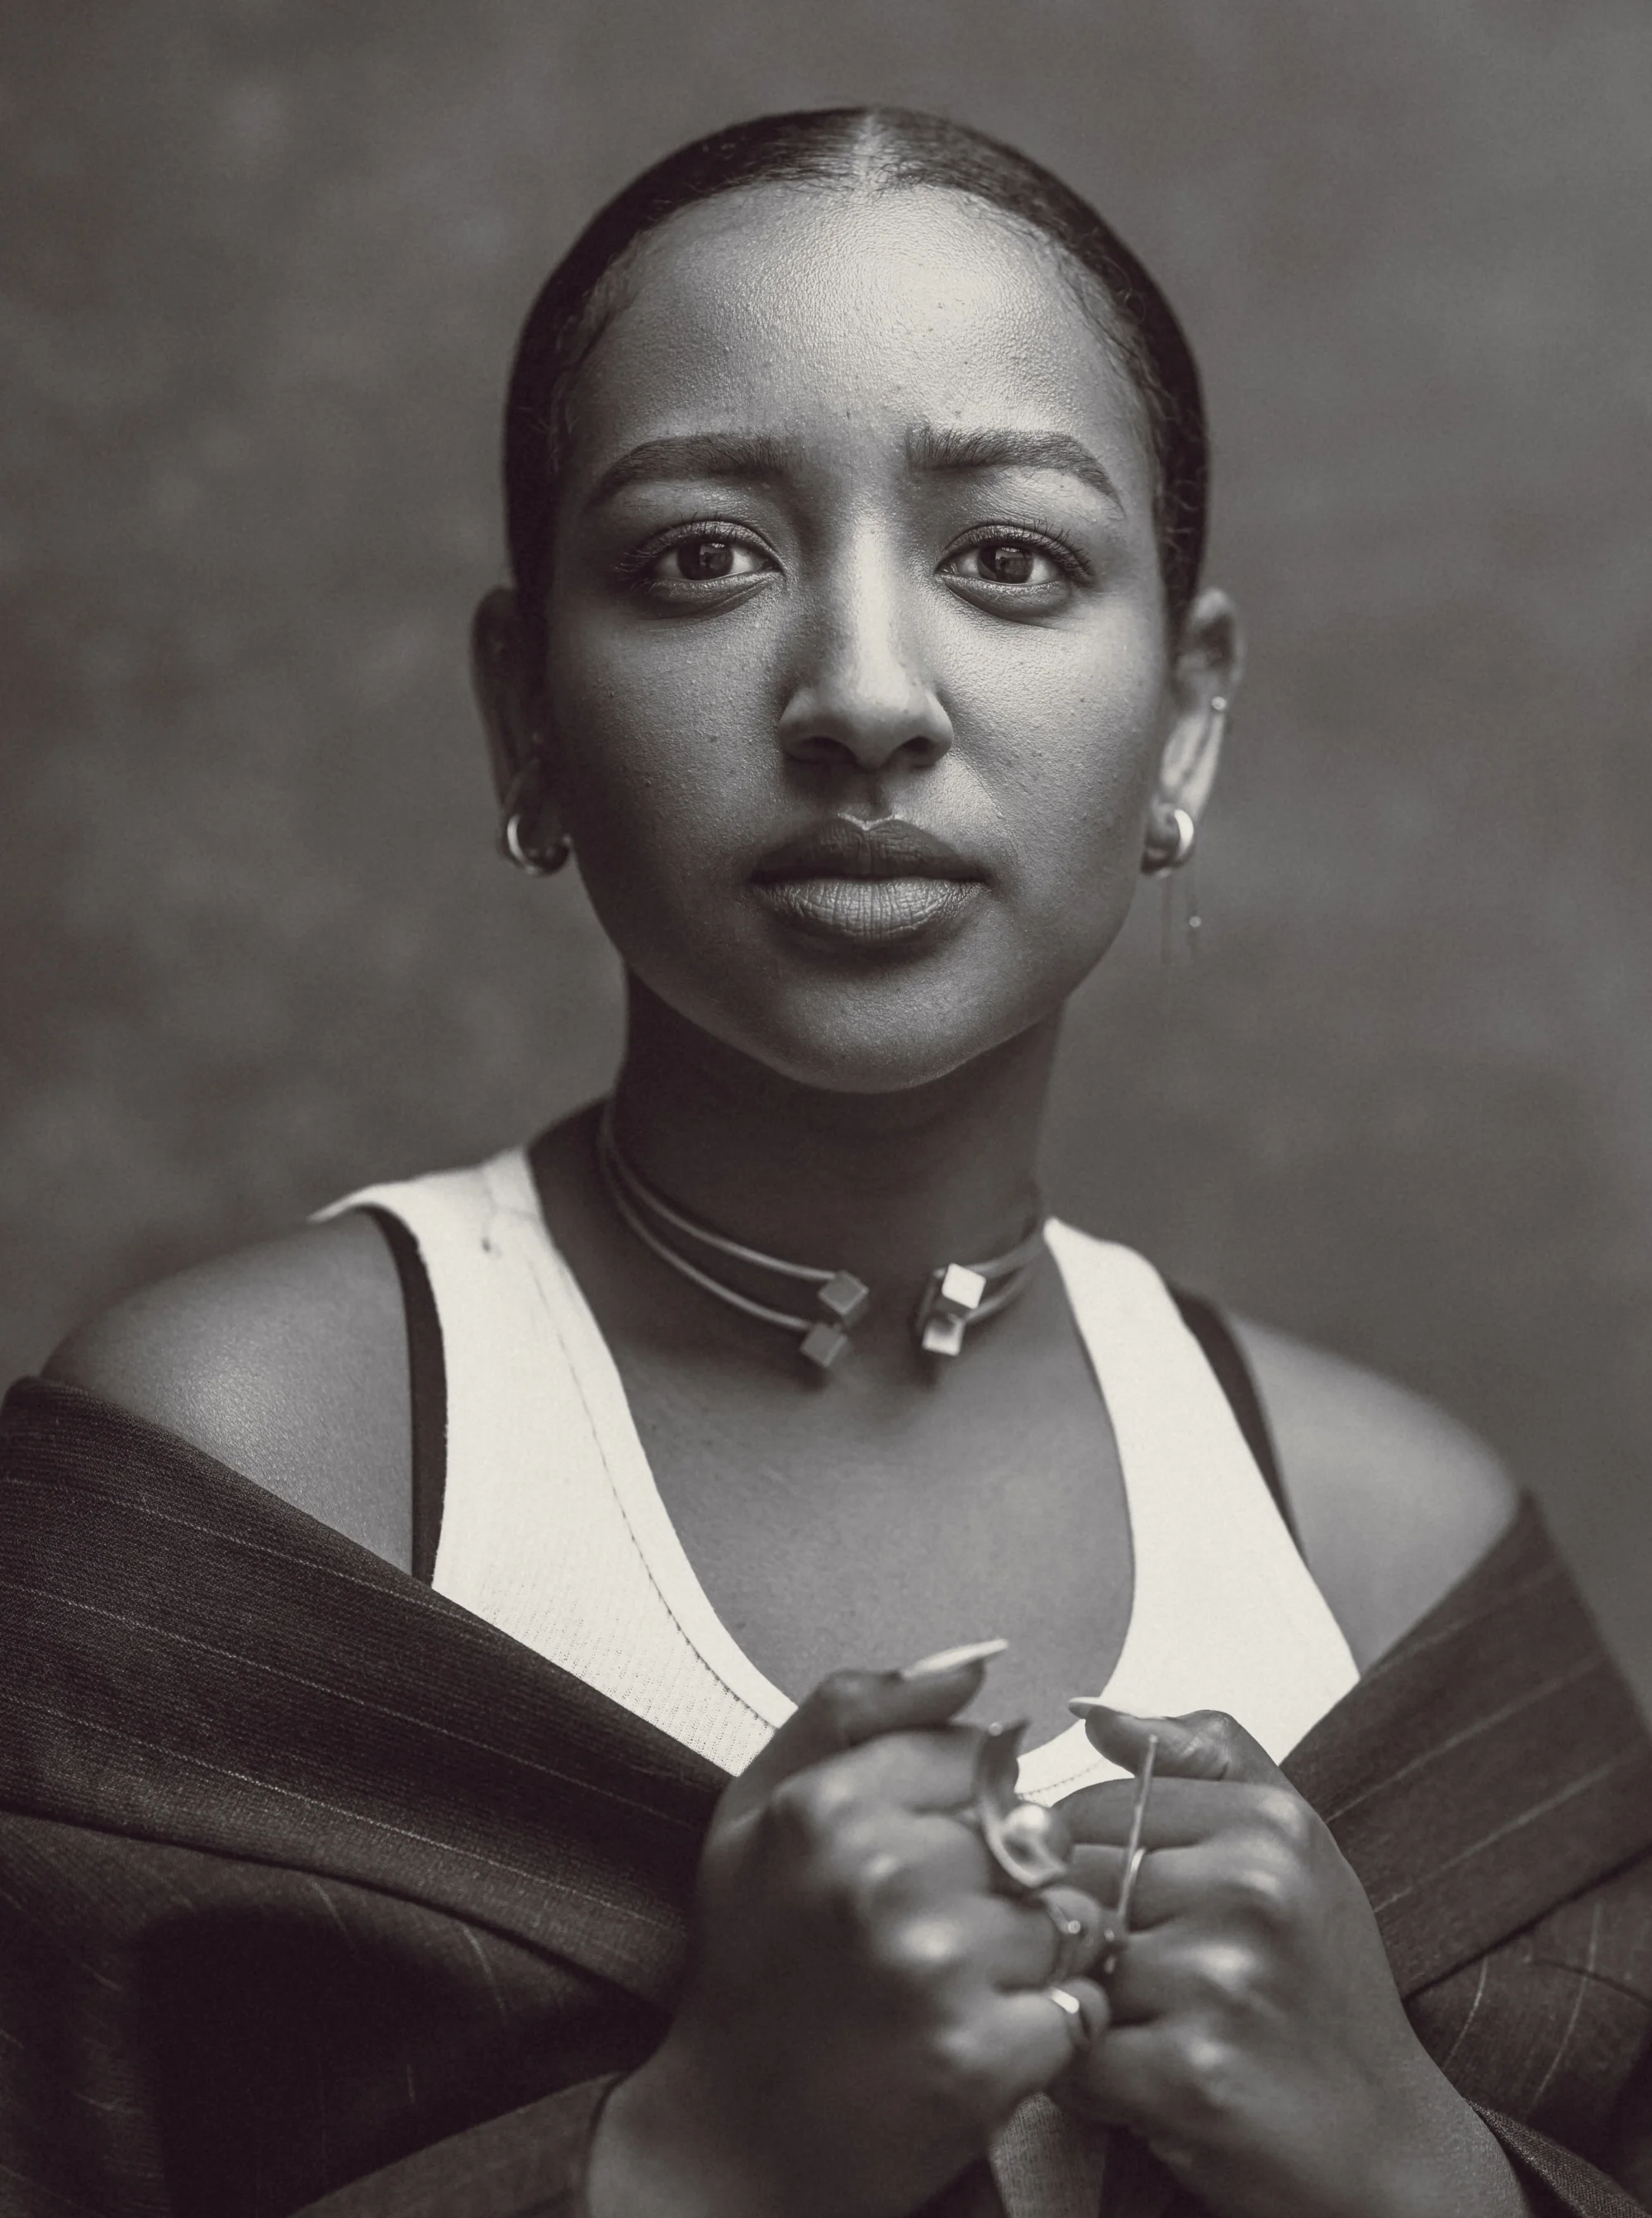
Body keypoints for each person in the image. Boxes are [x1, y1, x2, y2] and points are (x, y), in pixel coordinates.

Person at [4, 107, 1650, 2218]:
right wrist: (700, 2160)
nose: (865, 696)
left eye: (1012, 561)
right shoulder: (237, 1462)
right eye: (700, 557)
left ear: (1184, 725)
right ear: (524, 714)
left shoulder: (1403, 1554)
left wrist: (1418, 2166)